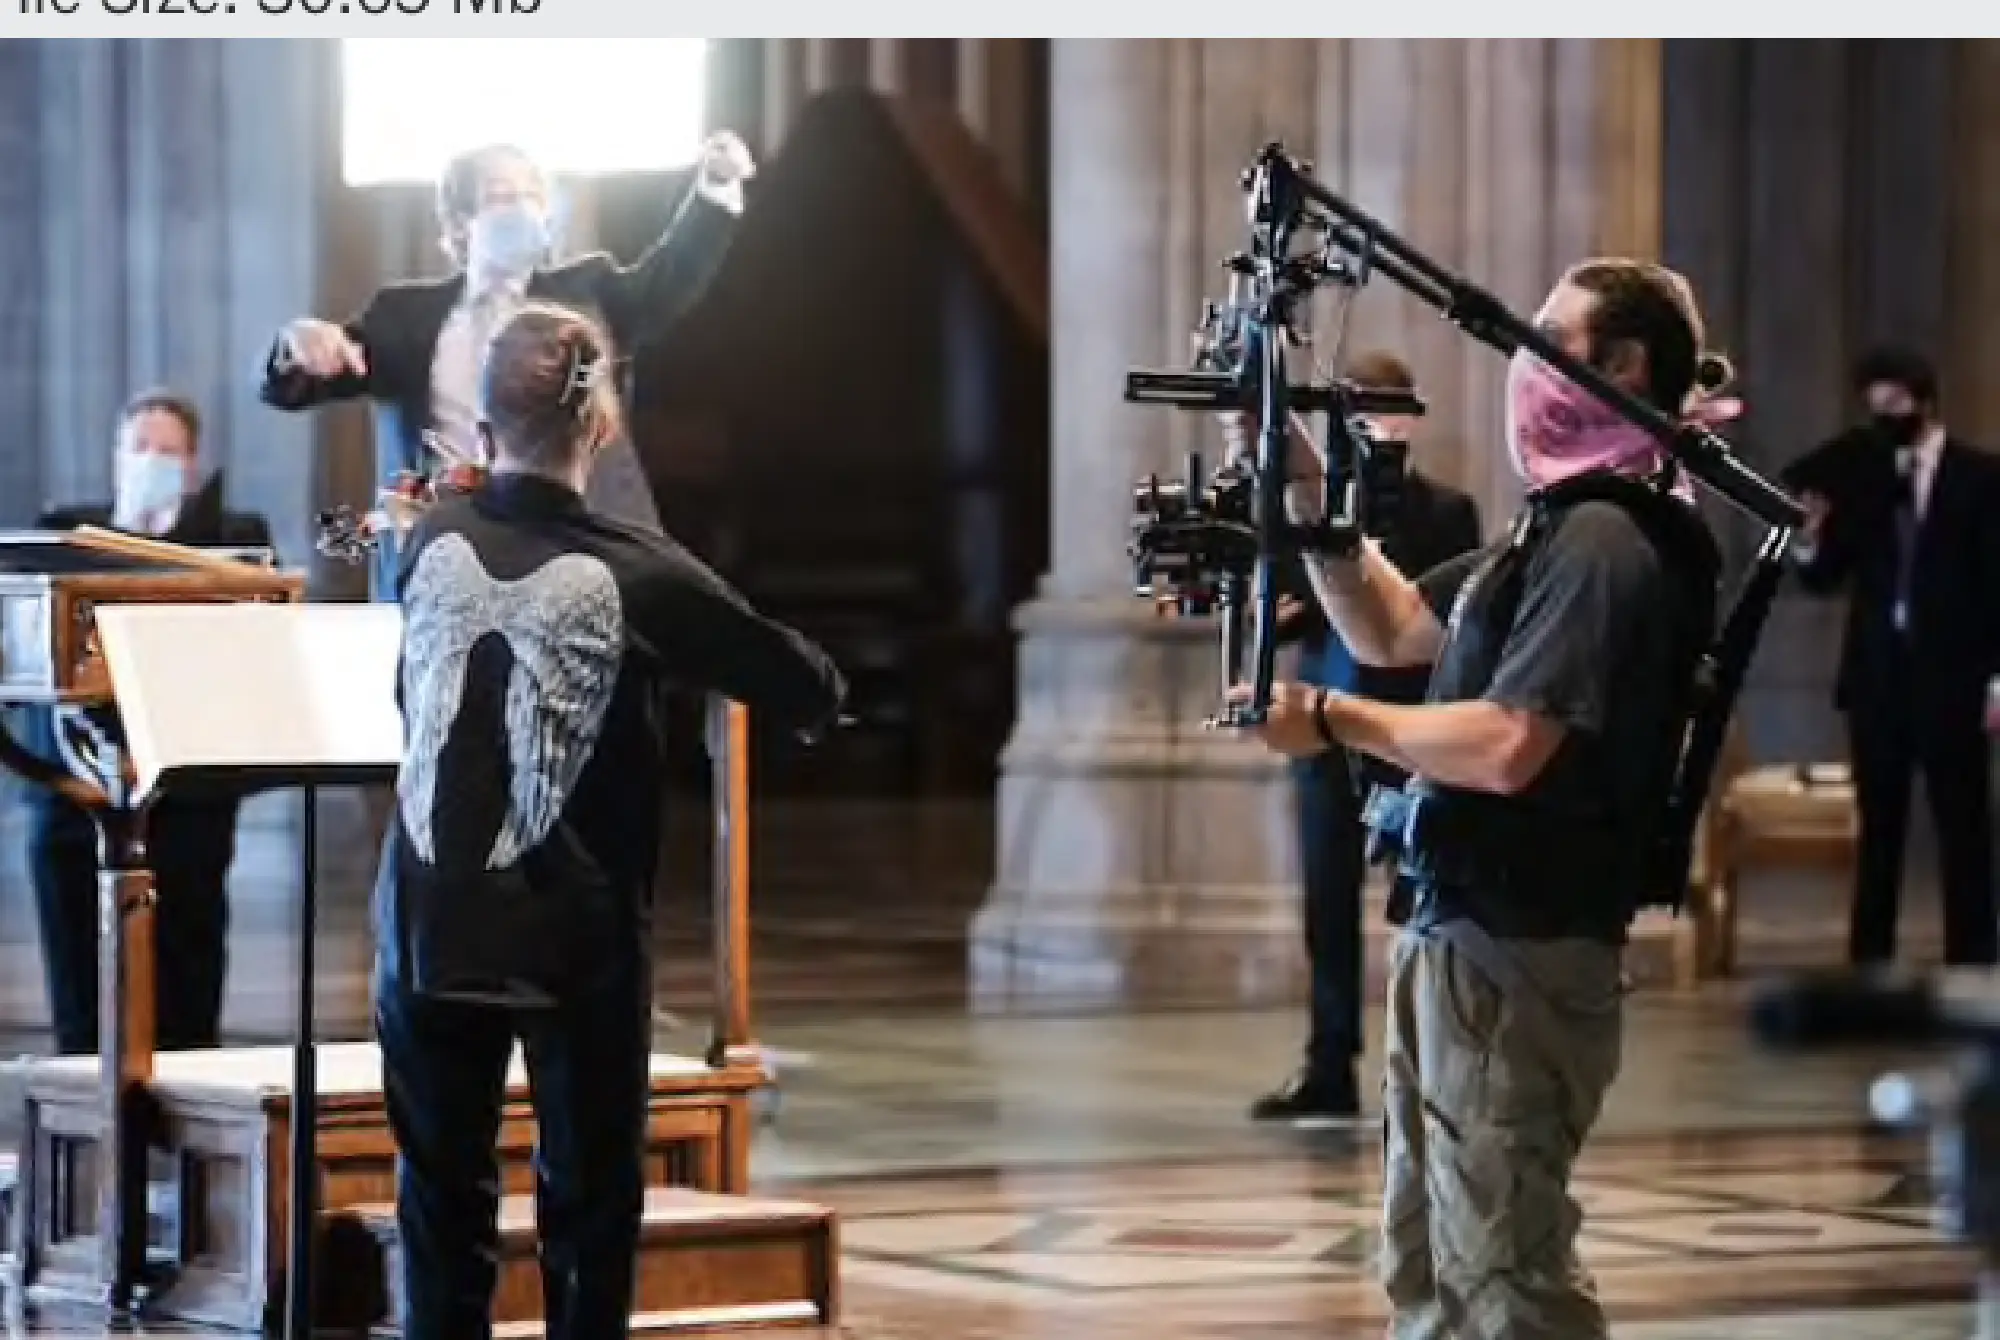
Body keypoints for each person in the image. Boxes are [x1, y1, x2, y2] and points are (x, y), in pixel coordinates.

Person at [1227, 260, 1726, 1339]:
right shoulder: (1553, 528)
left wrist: (1329, 718)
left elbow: (1509, 747)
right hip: (1460, 933)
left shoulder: (1605, 539)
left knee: (1504, 1274)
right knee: (1431, 1258)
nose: (1524, 358)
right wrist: (1302, 485)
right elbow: (1397, 629)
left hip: (1521, 942)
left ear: (1622, 363)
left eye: (1549, 334)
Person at [375, 302, 845, 1340]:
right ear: (601, 425)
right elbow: (804, 682)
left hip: (424, 915)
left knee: (437, 1199)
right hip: (570, 933)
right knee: (588, 1207)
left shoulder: (431, 541)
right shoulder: (638, 569)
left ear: (484, 417)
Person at [259, 133, 754, 597]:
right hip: (445, 556)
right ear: (458, 222)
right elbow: (302, 382)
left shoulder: (588, 295)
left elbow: (669, 280)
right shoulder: (404, 318)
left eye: (532, 196)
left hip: (576, 551)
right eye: (501, 196)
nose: (520, 209)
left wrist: (713, 188)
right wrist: (297, 345)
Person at [1253, 350, 1481, 1124]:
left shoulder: (1448, 510)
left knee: (1423, 905)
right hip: (1327, 730)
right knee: (1326, 901)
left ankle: (1423, 1068)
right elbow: (1289, 604)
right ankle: (1328, 1062)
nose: (1374, 422)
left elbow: (1448, 624)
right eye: (1359, 408)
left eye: (1388, 406)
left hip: (1410, 731)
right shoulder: (1308, 509)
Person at [26, 389, 273, 1053]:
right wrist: (127, 531)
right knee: (83, 988)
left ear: (193, 468)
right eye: (140, 448)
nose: (152, 460)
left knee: (186, 980)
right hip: (79, 788)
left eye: (168, 452)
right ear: (115, 458)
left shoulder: (231, 537)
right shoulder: (67, 530)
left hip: (188, 791)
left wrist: (171, 533)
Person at [1783, 347, 2000, 967]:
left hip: (1955, 678)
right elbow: (1826, 576)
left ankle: (1972, 963)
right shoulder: (1866, 478)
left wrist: (1997, 682)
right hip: (1879, 680)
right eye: (1875, 409)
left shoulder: (1980, 478)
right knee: (1880, 829)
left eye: (1896, 406)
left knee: (1964, 828)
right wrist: (1808, 538)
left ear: (1925, 402)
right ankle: (1869, 967)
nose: (1886, 419)